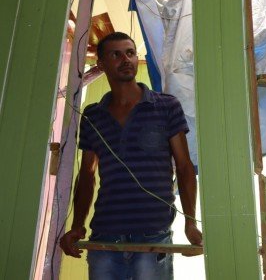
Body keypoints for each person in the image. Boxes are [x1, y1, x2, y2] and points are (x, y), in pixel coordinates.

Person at [59, 32, 202, 279]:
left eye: (130, 53)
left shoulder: (167, 106)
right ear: (101, 64)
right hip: (105, 234)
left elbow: (185, 167)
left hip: (153, 235)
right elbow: (87, 175)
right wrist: (77, 226)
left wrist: (190, 222)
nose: (126, 59)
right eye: (116, 54)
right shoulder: (93, 115)